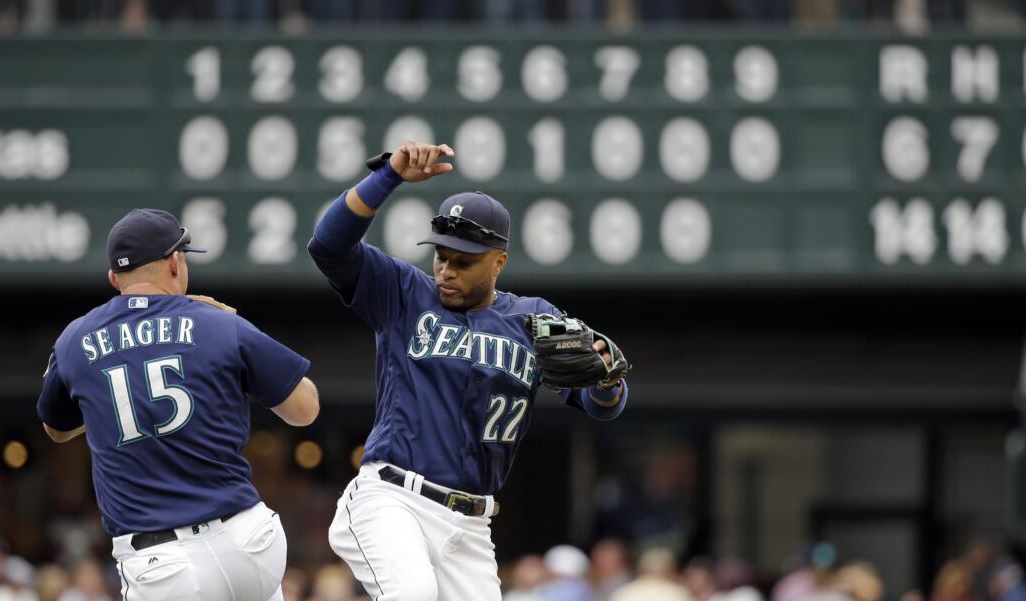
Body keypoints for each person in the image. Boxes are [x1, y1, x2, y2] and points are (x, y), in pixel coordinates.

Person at [309, 142, 630, 601]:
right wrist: (389, 178)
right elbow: (328, 245)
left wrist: (605, 381)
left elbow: (603, 406)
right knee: (411, 594)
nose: (446, 270)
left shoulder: (532, 320)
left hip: (472, 525)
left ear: (499, 261)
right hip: (393, 499)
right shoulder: (403, 292)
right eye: (441, 255)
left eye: (464, 261)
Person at [36, 208, 319, 601]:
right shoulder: (217, 322)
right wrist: (239, 326)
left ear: (114, 278)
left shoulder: (75, 339)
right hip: (248, 543)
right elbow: (306, 409)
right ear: (175, 262)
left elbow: (57, 428)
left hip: (160, 564)